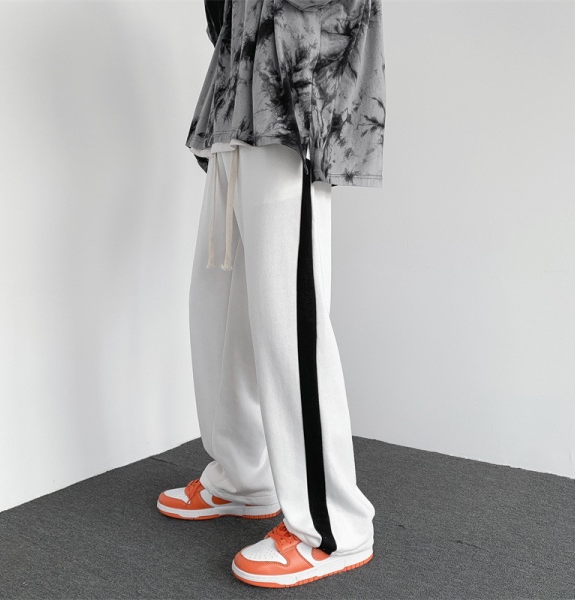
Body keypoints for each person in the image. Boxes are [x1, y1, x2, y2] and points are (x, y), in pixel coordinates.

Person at [157, 0, 386, 588]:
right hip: (242, 80)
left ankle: (334, 526)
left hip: (297, 79)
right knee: (221, 293)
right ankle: (243, 473)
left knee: (289, 312)